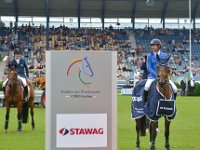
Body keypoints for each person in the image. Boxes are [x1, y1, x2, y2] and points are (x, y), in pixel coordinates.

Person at [143, 39, 178, 103]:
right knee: (146, 87)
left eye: (154, 45)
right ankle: (145, 103)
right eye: (152, 45)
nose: (152, 47)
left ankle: (173, 103)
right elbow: (148, 67)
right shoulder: (149, 56)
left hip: (164, 77)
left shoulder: (164, 55)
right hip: (152, 77)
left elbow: (167, 66)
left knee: (175, 89)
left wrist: (169, 71)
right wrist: (156, 75)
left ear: (159, 46)